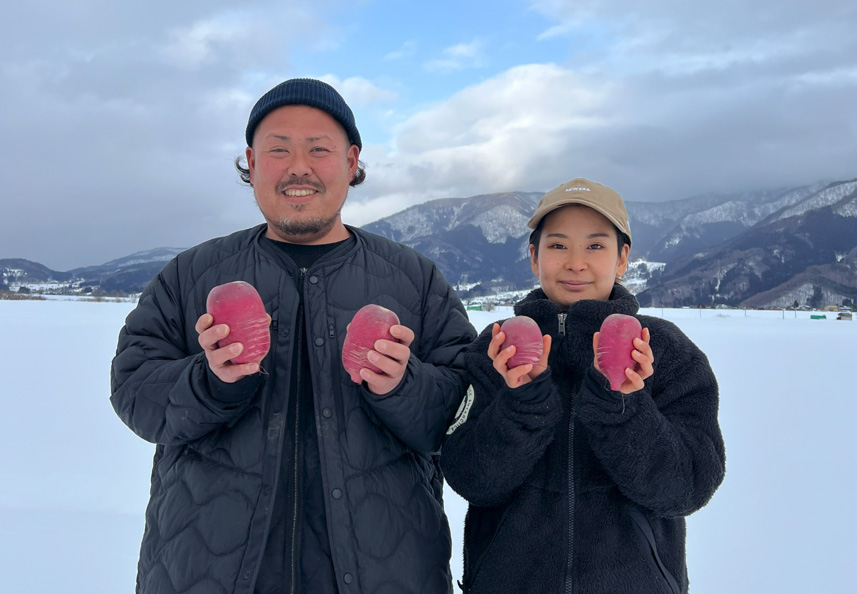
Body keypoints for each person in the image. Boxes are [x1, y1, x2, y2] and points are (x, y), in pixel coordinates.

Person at [110, 78, 476, 594]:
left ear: (351, 162)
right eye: (278, 150)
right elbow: (133, 390)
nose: (298, 167)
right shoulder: (191, 274)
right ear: (251, 163)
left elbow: (466, 412)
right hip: (206, 572)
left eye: (318, 150)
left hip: (386, 573)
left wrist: (402, 385)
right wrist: (210, 381)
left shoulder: (415, 281)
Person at [441, 178, 726, 593]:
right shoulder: (496, 346)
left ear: (622, 258)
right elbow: (470, 478)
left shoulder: (665, 351)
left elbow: (689, 487)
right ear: (534, 257)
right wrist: (521, 404)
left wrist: (625, 406)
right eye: (558, 246)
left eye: (595, 246)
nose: (576, 262)